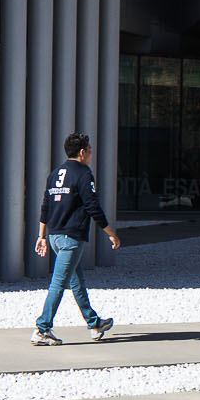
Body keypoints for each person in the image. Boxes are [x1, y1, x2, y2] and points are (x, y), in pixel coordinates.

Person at [32, 132, 122, 347]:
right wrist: (111, 233)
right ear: (82, 152)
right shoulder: (83, 173)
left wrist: (41, 236)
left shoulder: (55, 174)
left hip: (54, 236)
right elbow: (92, 206)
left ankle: (94, 323)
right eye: (89, 151)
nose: (91, 155)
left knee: (77, 282)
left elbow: (46, 206)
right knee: (58, 284)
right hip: (71, 238)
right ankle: (42, 329)